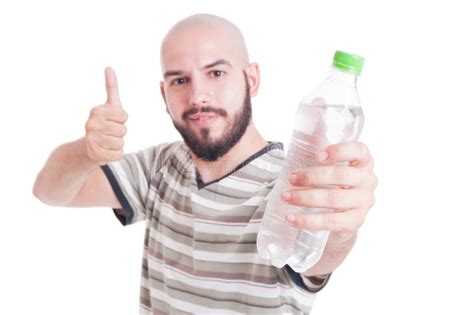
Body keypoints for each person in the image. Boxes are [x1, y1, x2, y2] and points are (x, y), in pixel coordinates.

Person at [33, 13, 377, 314]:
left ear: (251, 79)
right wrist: (86, 152)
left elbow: (318, 259)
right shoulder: (158, 167)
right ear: (164, 95)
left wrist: (343, 227)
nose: (197, 95)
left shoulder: (289, 186)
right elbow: (50, 192)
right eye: (180, 80)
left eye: (215, 73)